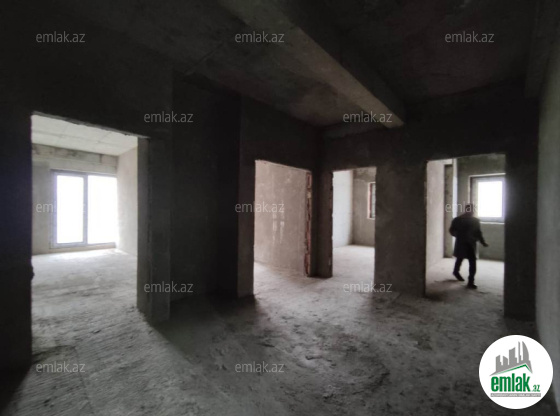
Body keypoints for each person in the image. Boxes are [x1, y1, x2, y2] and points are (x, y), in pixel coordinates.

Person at [449, 204, 488, 289]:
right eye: (471, 210)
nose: (472, 211)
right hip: (463, 243)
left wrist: (482, 242)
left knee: (469, 261)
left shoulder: (474, 220)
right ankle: (457, 273)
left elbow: (478, 232)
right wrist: (458, 235)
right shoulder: (458, 220)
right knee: (461, 258)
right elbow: (452, 230)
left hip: (469, 243)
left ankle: (470, 281)